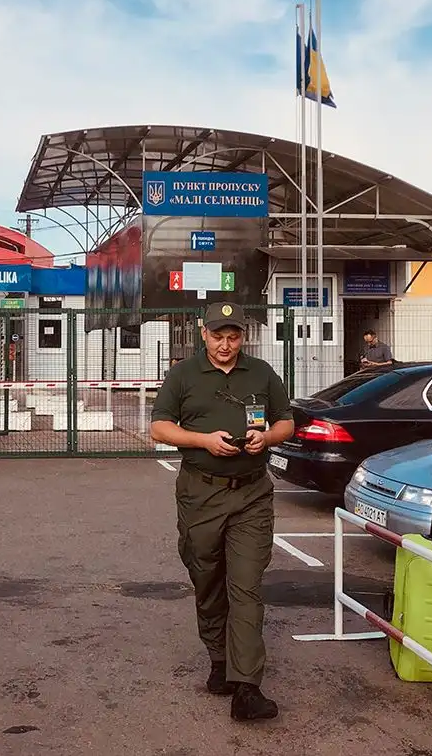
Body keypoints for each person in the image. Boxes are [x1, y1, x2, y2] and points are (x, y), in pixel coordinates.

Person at [149, 302, 295, 722]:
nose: (226, 345)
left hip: (252, 494)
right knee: (207, 579)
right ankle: (219, 659)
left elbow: (286, 421)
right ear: (203, 333)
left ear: (242, 336)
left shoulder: (262, 373)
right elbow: (159, 427)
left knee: (246, 585)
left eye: (233, 337)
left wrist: (265, 437)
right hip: (201, 494)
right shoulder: (183, 375)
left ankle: (246, 687)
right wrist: (202, 441)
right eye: (218, 336)